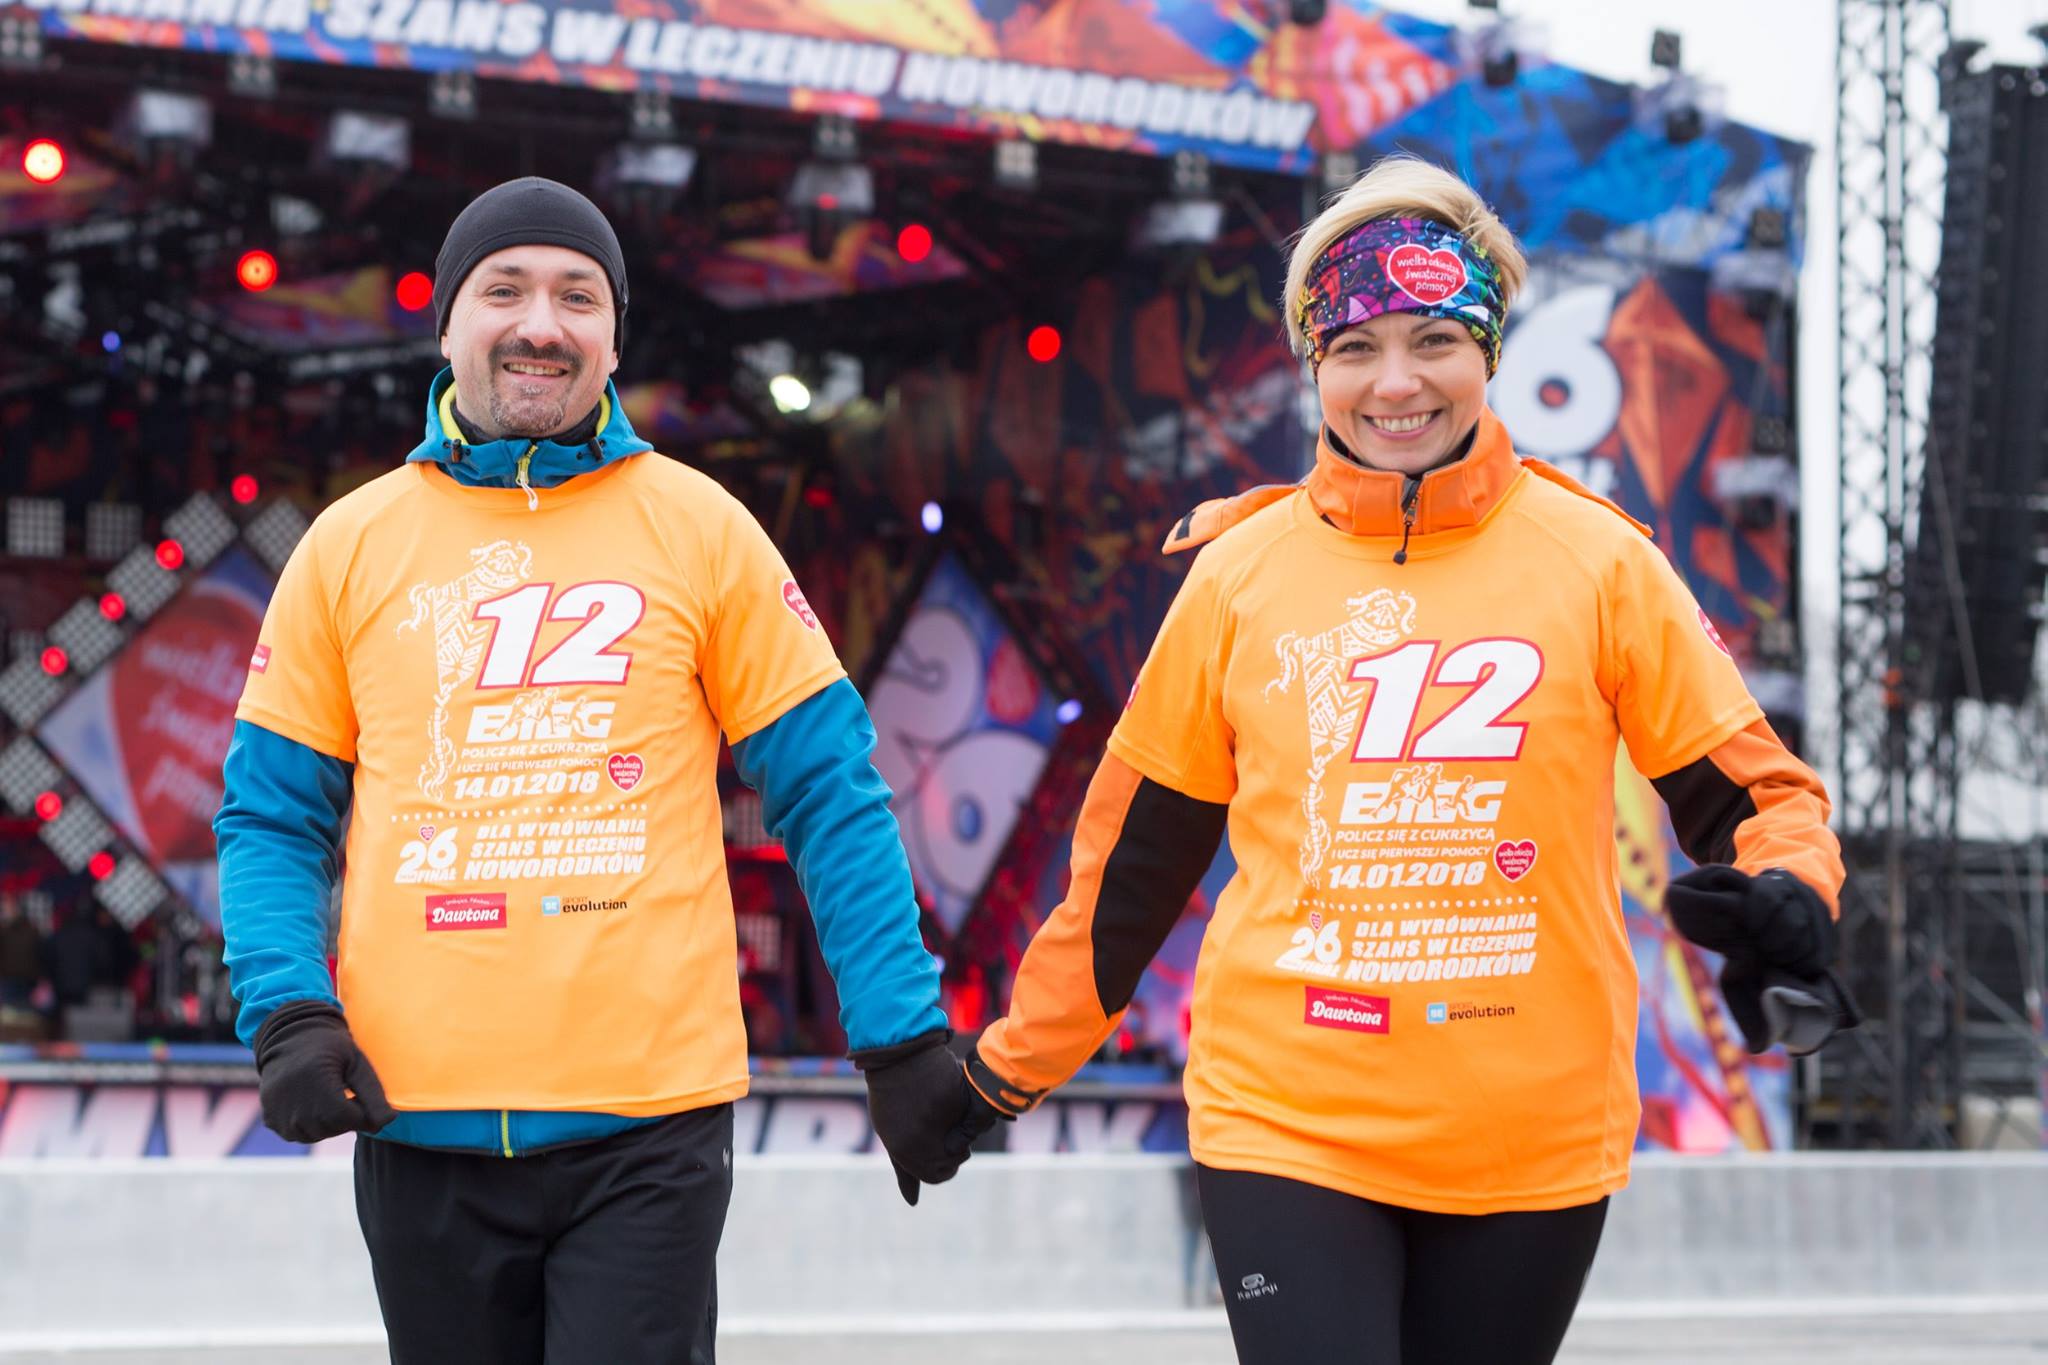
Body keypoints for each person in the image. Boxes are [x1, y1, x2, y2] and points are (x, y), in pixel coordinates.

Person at [919, 157, 1860, 1364]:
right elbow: (1129, 876)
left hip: (1527, 1133)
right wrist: (1002, 1071)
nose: (1395, 381)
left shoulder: (1599, 562)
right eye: (1353, 346)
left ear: (1488, 349)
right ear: (1312, 363)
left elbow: (1755, 793)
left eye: (1433, 340)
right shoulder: (1238, 576)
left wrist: (1790, 893)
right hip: (1285, 1119)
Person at [214, 177, 967, 1365]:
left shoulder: (701, 527)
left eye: (578, 297)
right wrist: (288, 1010)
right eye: (503, 290)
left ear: (615, 338)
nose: (541, 324)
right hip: (418, 1122)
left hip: (647, 1128)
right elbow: (270, 817)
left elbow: (831, 788)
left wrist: (900, 1037)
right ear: (446, 324)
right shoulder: (348, 546)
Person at [0, 891, 41, 1013]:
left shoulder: (5, 930)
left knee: (10, 1013)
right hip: (23, 978)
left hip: (13, 979)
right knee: (25, 1013)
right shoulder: (32, 929)